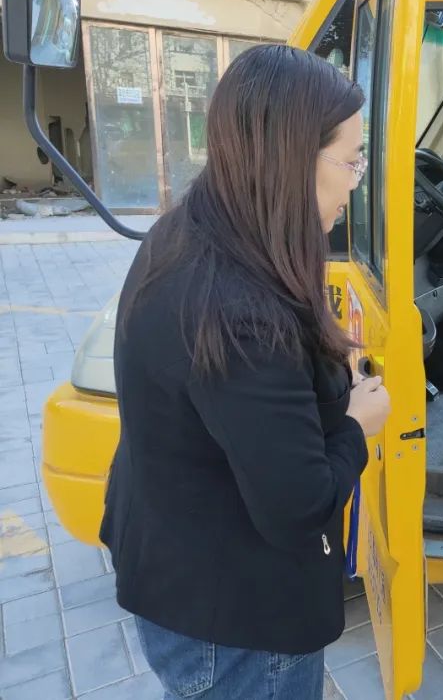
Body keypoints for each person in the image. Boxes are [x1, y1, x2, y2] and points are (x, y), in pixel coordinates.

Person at [100, 45, 390, 700]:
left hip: (182, 571)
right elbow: (298, 509)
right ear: (289, 161)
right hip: (236, 623)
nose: (356, 179)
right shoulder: (239, 311)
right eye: (349, 160)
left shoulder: (189, 235)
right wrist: (357, 425)